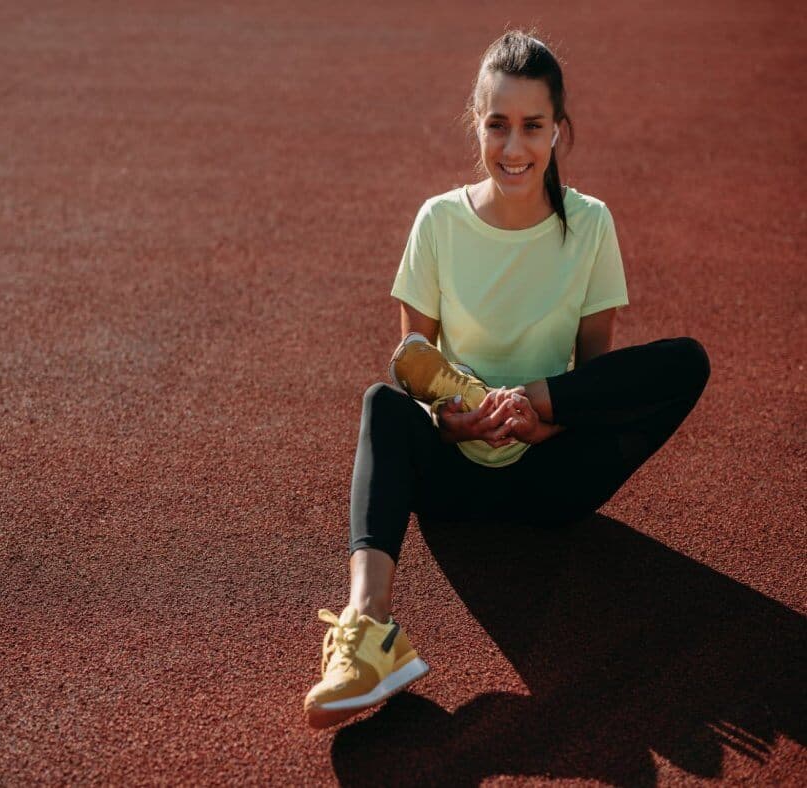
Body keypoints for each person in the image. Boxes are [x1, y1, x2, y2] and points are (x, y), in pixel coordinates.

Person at [303, 29, 711, 730]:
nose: (513, 147)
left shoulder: (590, 226)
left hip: (550, 478)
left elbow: (597, 375)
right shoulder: (438, 223)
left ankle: (532, 406)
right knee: (381, 404)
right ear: (477, 123)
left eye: (532, 126)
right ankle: (371, 631)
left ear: (559, 129)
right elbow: (412, 361)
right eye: (498, 124)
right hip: (452, 477)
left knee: (685, 362)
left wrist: (546, 413)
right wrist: (445, 419)